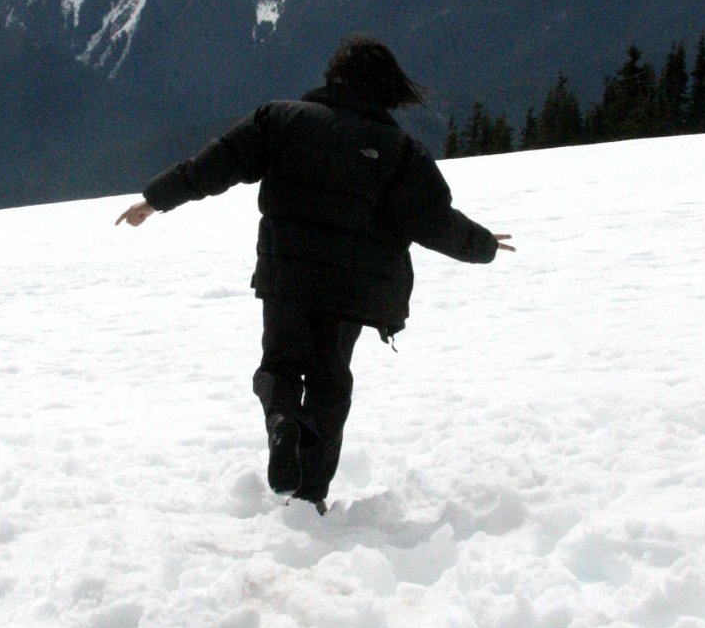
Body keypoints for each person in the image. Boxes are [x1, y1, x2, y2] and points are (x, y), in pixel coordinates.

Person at [116, 34, 514, 512]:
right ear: (386, 87)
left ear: (334, 76)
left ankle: (282, 419)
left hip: (286, 275)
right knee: (330, 382)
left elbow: (214, 166)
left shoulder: (279, 120)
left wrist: (155, 199)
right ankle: (309, 497)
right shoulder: (401, 151)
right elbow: (432, 221)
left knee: (279, 366)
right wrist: (483, 245)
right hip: (352, 290)